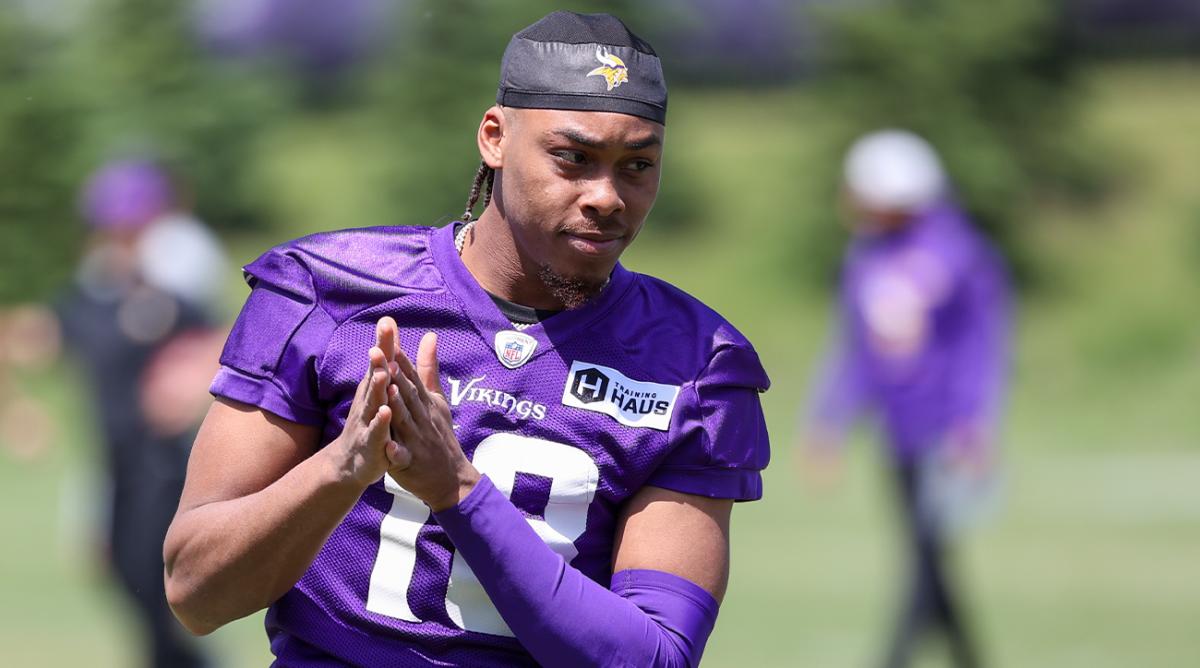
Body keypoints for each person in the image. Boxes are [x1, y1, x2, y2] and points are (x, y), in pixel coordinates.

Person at [164, 11, 771, 667]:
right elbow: (197, 593)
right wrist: (342, 468)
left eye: (637, 165)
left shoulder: (696, 367)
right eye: (573, 157)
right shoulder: (329, 293)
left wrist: (457, 491)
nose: (607, 196)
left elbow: (654, 659)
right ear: (495, 138)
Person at [801, 130, 1011, 668]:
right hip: (898, 432)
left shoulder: (960, 253)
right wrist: (830, 422)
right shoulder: (865, 256)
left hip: (947, 435)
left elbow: (982, 347)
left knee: (924, 560)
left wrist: (975, 422)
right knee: (930, 557)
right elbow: (856, 352)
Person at [5, 158, 226, 667]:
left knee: (155, 583)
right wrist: (19, 412)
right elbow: (18, 341)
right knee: (126, 580)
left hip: (164, 467)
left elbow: (225, 342)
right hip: (111, 471)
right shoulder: (84, 299)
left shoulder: (164, 294)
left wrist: (194, 383)